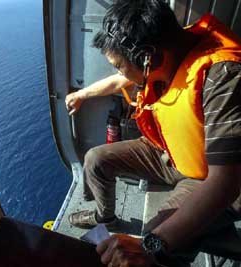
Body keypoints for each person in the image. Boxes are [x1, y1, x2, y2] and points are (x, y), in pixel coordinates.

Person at [65, 0, 241, 266]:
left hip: (205, 176)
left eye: (118, 64)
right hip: (167, 150)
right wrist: (81, 94)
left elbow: (226, 184)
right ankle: (105, 217)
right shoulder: (166, 51)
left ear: (149, 58)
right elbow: (120, 81)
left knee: (155, 238)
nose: (118, 72)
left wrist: (151, 246)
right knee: (95, 159)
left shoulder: (223, 76)